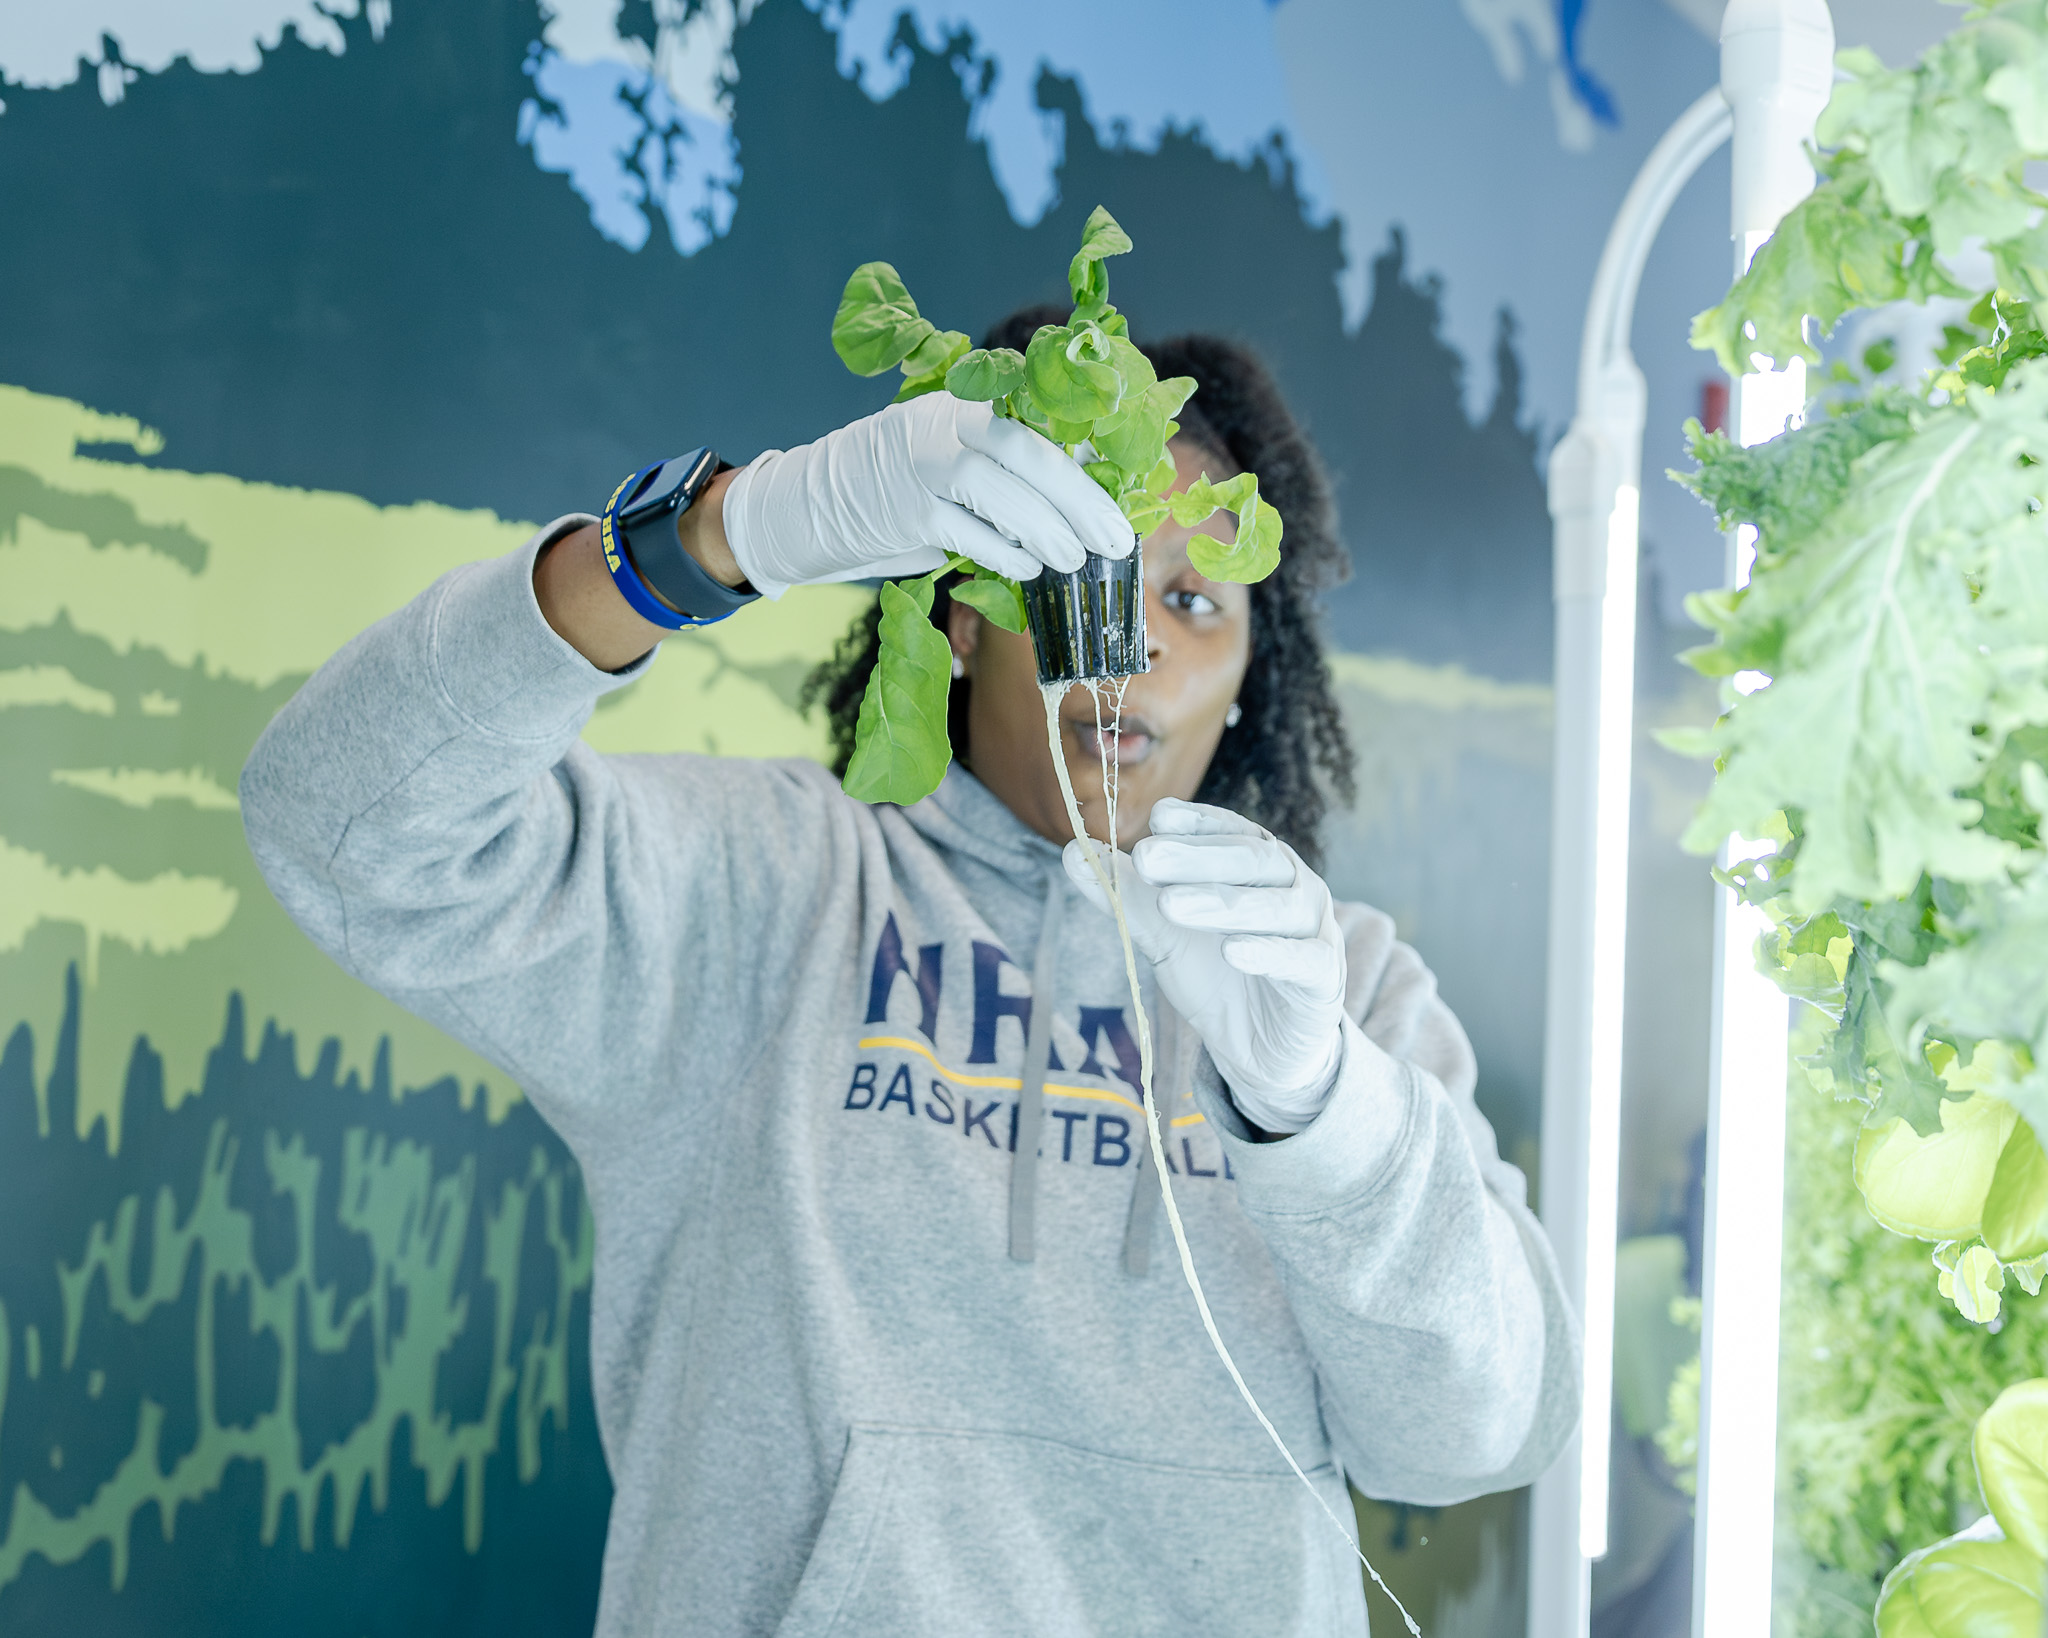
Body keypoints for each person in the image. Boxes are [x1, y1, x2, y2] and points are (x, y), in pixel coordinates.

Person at [241, 311, 1578, 1638]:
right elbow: (339, 824)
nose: (1140, 646)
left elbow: (1482, 1429)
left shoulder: (1346, 989)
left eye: (1194, 601)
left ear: (1247, 677)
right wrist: (709, 541)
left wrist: (1326, 1113)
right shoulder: (764, 891)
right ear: (964, 607)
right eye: (1084, 575)